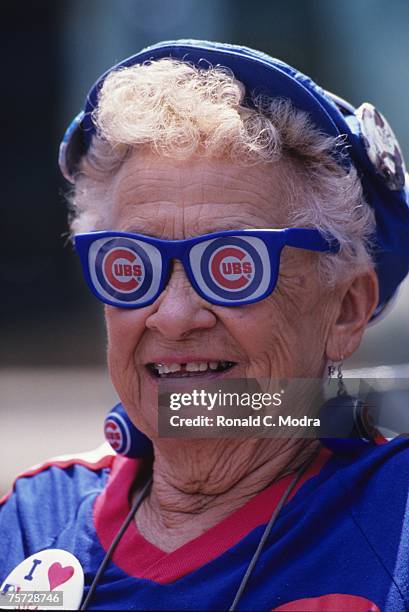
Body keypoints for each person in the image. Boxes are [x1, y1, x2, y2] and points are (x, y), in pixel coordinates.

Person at [1, 39, 409, 611]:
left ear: (344, 309)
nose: (172, 316)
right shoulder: (34, 522)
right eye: (131, 265)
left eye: (234, 265)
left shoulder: (398, 521)